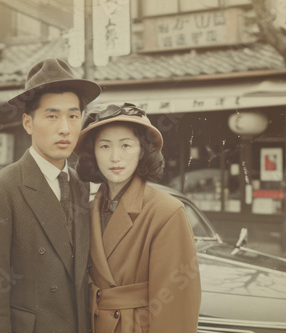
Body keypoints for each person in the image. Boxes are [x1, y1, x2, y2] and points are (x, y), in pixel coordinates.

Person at [0, 58, 101, 333]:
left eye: (73, 116)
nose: (65, 128)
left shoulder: (81, 185)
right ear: (28, 123)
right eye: (52, 116)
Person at [74, 103, 201, 333]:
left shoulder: (167, 211)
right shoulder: (89, 208)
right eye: (104, 146)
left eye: (126, 145)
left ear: (142, 150)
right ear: (93, 153)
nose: (115, 157)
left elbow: (176, 308)